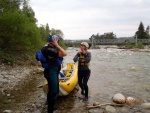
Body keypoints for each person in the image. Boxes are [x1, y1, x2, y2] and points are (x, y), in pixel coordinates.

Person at [41, 35, 67, 113]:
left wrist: (56, 46)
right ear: (54, 41)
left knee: (51, 89)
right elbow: (64, 53)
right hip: (51, 72)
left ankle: (50, 108)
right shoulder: (50, 50)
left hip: (51, 71)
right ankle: (50, 110)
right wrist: (57, 45)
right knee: (54, 91)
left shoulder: (48, 49)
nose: (57, 42)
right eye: (56, 41)